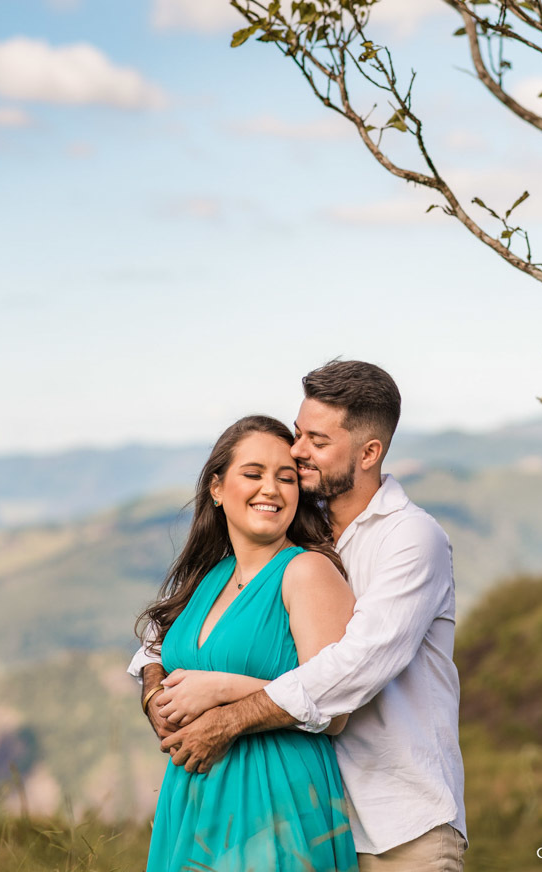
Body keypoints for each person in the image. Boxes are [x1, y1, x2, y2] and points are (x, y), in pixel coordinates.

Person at [133, 361, 466, 871]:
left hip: (396, 828)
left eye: (316, 440)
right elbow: (173, 633)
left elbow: (350, 670)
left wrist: (223, 709)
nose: (298, 450)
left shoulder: (409, 540)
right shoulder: (296, 532)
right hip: (305, 806)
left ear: (369, 452)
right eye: (298, 433)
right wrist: (156, 686)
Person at [135, 413, 358, 872]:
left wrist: (221, 688)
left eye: (287, 478)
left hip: (275, 793)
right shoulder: (209, 576)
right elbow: (156, 650)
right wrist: (153, 693)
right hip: (194, 796)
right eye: (253, 474)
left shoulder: (307, 572)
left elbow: (335, 711)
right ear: (216, 488)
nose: (271, 490)